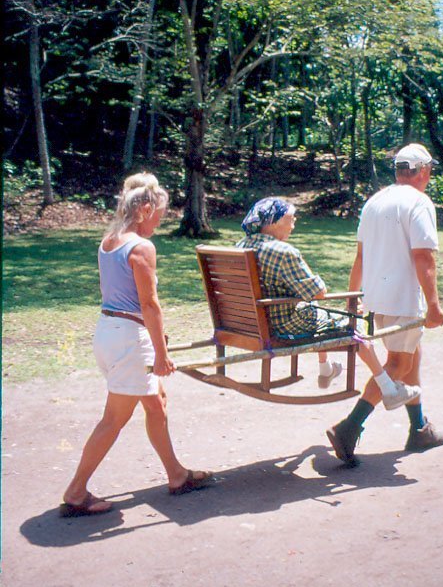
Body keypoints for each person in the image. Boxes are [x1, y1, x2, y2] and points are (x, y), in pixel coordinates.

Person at [61, 173, 213, 517]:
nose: (162, 220)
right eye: (160, 212)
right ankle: (75, 491)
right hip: (130, 337)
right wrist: (161, 353)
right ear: (144, 208)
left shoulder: (109, 240)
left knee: (156, 403)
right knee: (114, 418)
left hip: (109, 330)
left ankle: (176, 475)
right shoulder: (141, 247)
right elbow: (150, 304)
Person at [327, 143, 443, 466]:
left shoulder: (375, 202)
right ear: (423, 171)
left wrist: (354, 301)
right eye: (429, 170)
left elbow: (361, 258)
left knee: (412, 357)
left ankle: (419, 428)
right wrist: (434, 307)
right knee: (398, 364)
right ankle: (349, 428)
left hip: (378, 300)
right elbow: (424, 257)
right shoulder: (419, 202)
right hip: (404, 300)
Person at [236, 196, 420, 406]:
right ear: (275, 221)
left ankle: (326, 369)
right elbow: (318, 291)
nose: (294, 225)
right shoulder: (282, 252)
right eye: (292, 219)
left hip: (249, 321)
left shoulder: (240, 245)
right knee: (356, 324)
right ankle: (388, 389)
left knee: (314, 309)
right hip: (283, 325)